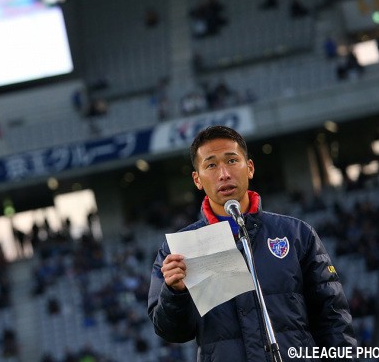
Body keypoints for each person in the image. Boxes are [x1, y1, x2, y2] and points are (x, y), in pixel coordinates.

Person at [148, 125, 356, 361]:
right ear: (197, 179)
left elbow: (333, 318)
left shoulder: (296, 234)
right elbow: (170, 331)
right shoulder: (177, 250)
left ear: (250, 168)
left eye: (232, 160)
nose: (224, 174)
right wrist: (175, 293)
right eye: (211, 165)